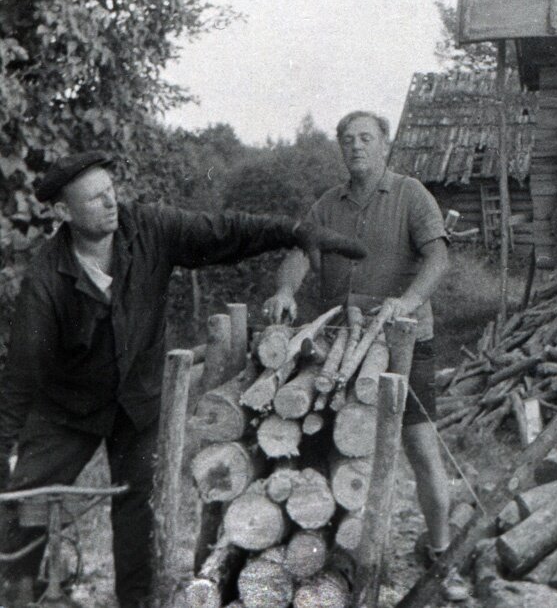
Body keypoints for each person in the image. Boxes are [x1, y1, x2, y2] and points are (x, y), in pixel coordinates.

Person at [0, 151, 365, 608]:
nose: (111, 204)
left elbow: (227, 229)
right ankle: (16, 591)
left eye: (111, 193)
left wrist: (294, 231)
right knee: (23, 502)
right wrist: (5, 449)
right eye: (95, 200)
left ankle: (137, 601)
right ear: (62, 212)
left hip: (136, 405)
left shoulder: (150, 229)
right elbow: (22, 373)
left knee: (137, 514)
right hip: (66, 411)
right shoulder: (45, 279)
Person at [263, 111, 455, 564]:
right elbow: (299, 255)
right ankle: (330, 552)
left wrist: (406, 302)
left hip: (403, 342)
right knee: (330, 446)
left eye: (366, 138)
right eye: (347, 139)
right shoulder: (328, 205)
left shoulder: (411, 195)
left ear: (385, 144)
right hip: (339, 345)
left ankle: (442, 551)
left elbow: (439, 259)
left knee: (421, 448)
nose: (356, 146)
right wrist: (286, 288)